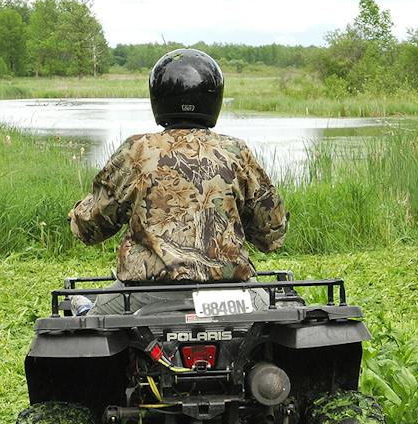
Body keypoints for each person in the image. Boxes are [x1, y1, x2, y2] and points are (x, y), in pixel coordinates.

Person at [67, 49, 288, 315]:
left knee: (90, 331)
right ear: (214, 98)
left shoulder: (136, 150)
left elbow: (90, 227)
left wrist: (80, 214)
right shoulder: (235, 151)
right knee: (276, 324)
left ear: (158, 98)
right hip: (231, 296)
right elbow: (272, 233)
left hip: (144, 296)